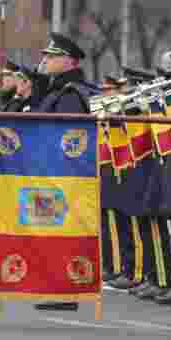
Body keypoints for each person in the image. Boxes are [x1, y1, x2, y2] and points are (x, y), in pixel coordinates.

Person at [31, 34, 97, 311]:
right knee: (52, 231)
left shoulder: (70, 94)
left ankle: (66, 289)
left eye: (52, 56)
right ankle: (57, 286)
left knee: (64, 233)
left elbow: (70, 138)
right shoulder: (56, 90)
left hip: (64, 174)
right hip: (52, 172)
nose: (45, 61)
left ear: (69, 61)